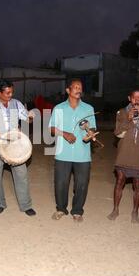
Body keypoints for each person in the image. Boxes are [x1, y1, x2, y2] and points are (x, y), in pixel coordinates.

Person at [0, 80, 36, 216]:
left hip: (14, 147)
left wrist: (30, 117)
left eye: (11, 92)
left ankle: (26, 205)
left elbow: (26, 118)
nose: (10, 95)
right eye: (7, 93)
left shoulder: (16, 104)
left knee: (21, 175)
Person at [48, 79, 98, 222]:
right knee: (61, 183)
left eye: (80, 88)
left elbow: (92, 127)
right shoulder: (59, 108)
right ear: (68, 90)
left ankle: (77, 211)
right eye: (75, 87)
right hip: (63, 153)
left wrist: (90, 134)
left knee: (81, 183)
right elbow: (52, 129)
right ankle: (61, 208)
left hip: (82, 153)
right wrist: (65, 134)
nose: (78, 90)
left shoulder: (88, 108)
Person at [107, 87, 139, 223]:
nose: (137, 100)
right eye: (134, 97)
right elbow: (118, 133)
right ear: (129, 98)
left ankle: (135, 211)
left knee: (137, 184)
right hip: (124, 153)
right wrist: (128, 120)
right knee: (119, 182)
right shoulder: (122, 112)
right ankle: (115, 209)